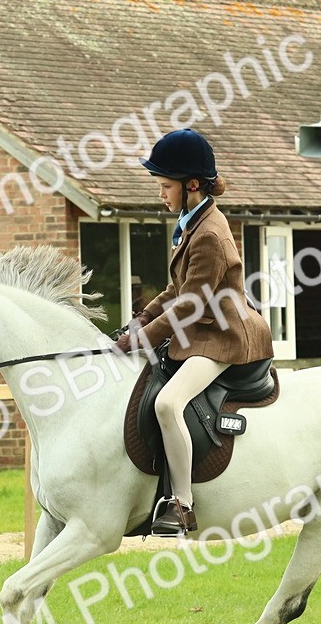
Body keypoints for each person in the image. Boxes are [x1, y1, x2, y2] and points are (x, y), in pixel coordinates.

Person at [114, 128, 274, 537]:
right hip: (201, 329)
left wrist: (144, 337)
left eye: (165, 186)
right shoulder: (191, 222)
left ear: (191, 185)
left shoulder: (208, 234)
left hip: (222, 335)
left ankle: (181, 505)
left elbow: (192, 304)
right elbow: (174, 291)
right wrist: (139, 320)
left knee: (167, 404)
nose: (161, 194)